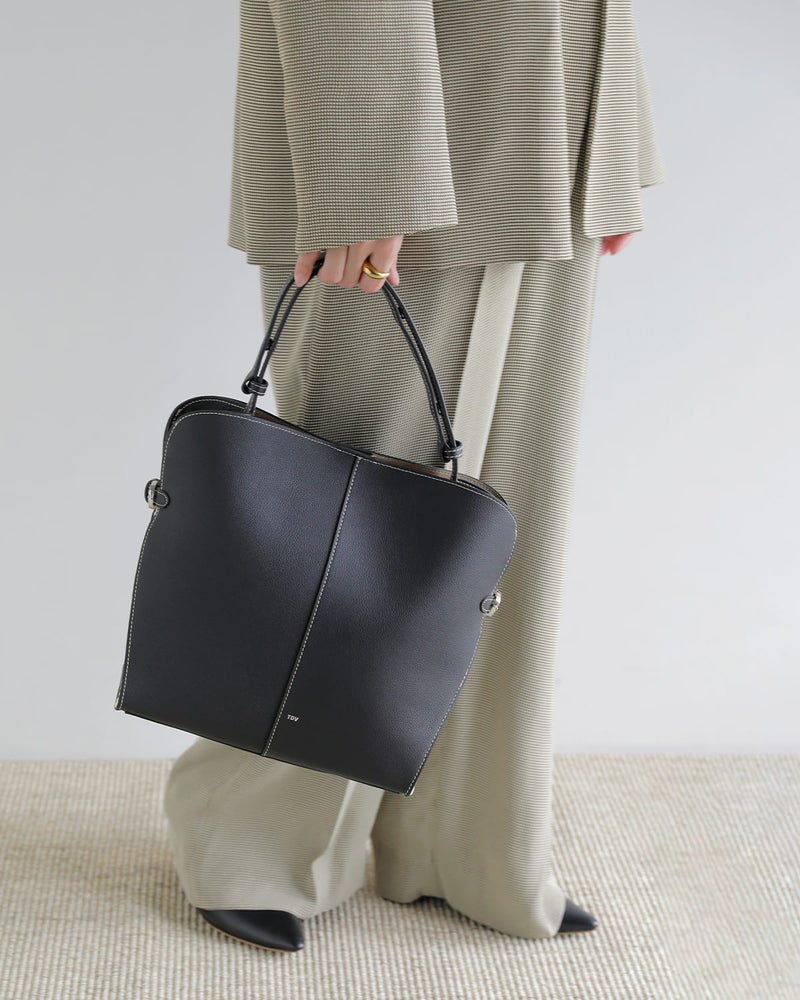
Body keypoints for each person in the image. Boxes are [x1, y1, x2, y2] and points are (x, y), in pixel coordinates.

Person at [163, 0, 665, 952]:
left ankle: (460, 843)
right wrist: (364, 176)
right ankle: (249, 833)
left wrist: (611, 139)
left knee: (501, 537)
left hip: (555, 116)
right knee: (344, 533)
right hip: (407, 133)